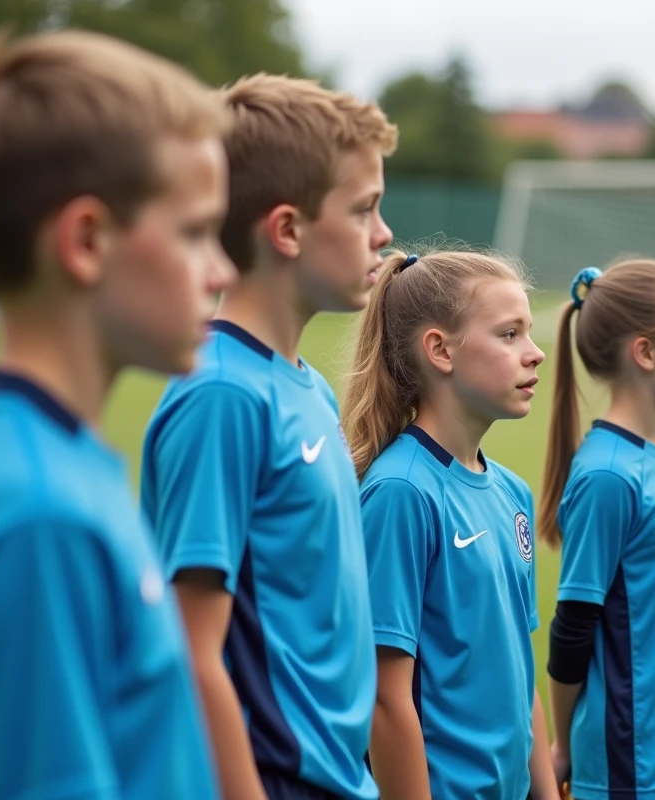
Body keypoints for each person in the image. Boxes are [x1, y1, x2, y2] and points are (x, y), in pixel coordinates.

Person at [0, 29, 234, 799]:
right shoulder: (38, 512)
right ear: (86, 242)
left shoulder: (42, 458)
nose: (223, 269)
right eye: (194, 231)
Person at [141, 73, 397, 800]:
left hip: (337, 779)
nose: (383, 233)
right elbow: (193, 654)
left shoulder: (304, 385)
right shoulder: (223, 397)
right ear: (286, 229)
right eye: (364, 209)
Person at [341, 249, 556, 800]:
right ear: (440, 349)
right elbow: (386, 698)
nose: (535, 354)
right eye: (509, 335)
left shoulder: (513, 492)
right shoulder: (402, 492)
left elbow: (519, 670)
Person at [539, 260, 655, 800]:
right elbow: (573, 623)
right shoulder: (607, 474)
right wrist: (566, 745)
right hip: (634, 760)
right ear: (644, 352)